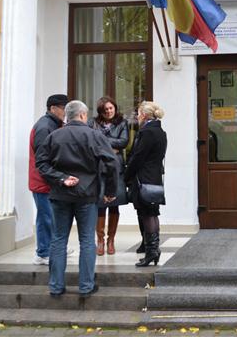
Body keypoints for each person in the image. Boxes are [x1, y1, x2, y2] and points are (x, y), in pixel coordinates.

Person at [35, 100, 118, 297]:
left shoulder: (54, 136)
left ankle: (56, 286)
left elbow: (41, 163)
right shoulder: (94, 135)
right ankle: (86, 286)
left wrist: (61, 178)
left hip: (60, 194)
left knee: (58, 240)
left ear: (67, 115)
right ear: (82, 115)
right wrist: (110, 190)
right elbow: (111, 162)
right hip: (86, 194)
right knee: (87, 240)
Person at [125, 101, 167, 267]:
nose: (137, 116)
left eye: (138, 113)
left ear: (144, 114)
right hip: (154, 177)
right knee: (153, 212)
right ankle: (154, 250)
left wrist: (126, 176)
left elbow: (138, 157)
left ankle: (151, 252)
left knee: (147, 214)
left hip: (144, 178)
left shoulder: (147, 132)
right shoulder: (159, 131)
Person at [28, 93, 68, 265]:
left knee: (52, 217)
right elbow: (43, 158)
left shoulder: (54, 124)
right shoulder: (45, 127)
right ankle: (43, 253)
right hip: (43, 182)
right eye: (63, 109)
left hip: (50, 181)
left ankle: (53, 248)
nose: (65, 113)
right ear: (53, 108)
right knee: (46, 218)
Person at [89, 96, 129, 256]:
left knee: (115, 203)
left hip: (116, 168)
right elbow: (92, 140)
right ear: (101, 111)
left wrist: (103, 143)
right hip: (98, 167)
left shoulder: (122, 123)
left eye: (111, 108)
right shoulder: (93, 123)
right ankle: (100, 241)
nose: (109, 111)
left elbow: (124, 142)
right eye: (106, 110)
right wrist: (110, 145)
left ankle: (111, 240)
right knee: (99, 203)